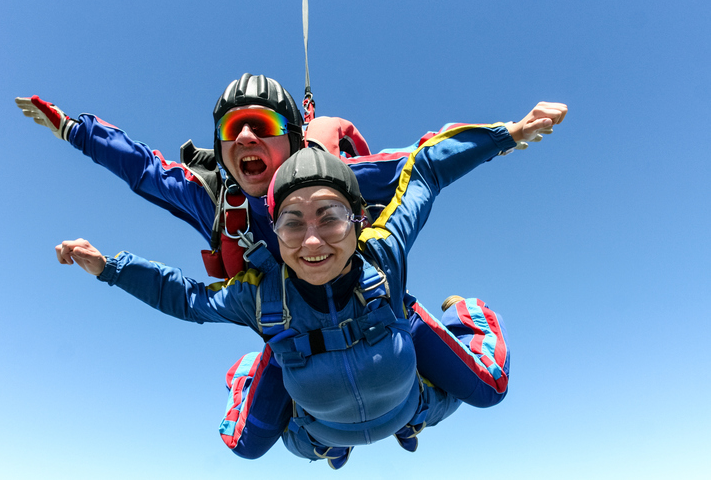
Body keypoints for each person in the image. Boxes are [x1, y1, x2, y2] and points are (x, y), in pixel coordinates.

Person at [56, 147, 511, 468]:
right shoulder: (258, 294)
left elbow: (427, 172)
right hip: (319, 420)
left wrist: (504, 136)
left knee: (491, 388)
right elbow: (187, 299)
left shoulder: (384, 253)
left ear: (359, 222)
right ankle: (253, 374)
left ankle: (466, 314)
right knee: (245, 447)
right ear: (275, 234)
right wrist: (110, 268)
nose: (313, 241)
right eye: (292, 224)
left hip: (407, 399)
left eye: (331, 218)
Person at [16, 73, 567, 280]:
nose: (247, 139)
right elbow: (138, 165)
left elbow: (417, 160)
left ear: (294, 138)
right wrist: (72, 129)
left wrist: (507, 134)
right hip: (282, 320)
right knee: (259, 437)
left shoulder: (333, 177)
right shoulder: (212, 199)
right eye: (234, 129)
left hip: (359, 303)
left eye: (263, 125)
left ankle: (412, 408)